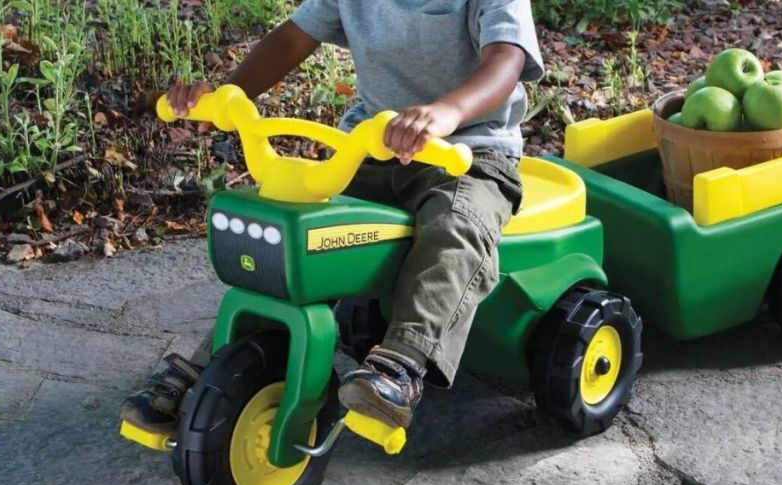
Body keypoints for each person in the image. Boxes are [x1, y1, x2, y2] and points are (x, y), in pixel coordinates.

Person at [120, 0, 544, 435]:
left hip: (467, 154)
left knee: (457, 226)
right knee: (299, 231)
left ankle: (403, 362)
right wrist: (230, 95)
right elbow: (290, 39)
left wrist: (447, 111)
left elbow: (505, 58)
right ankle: (218, 358)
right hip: (370, 151)